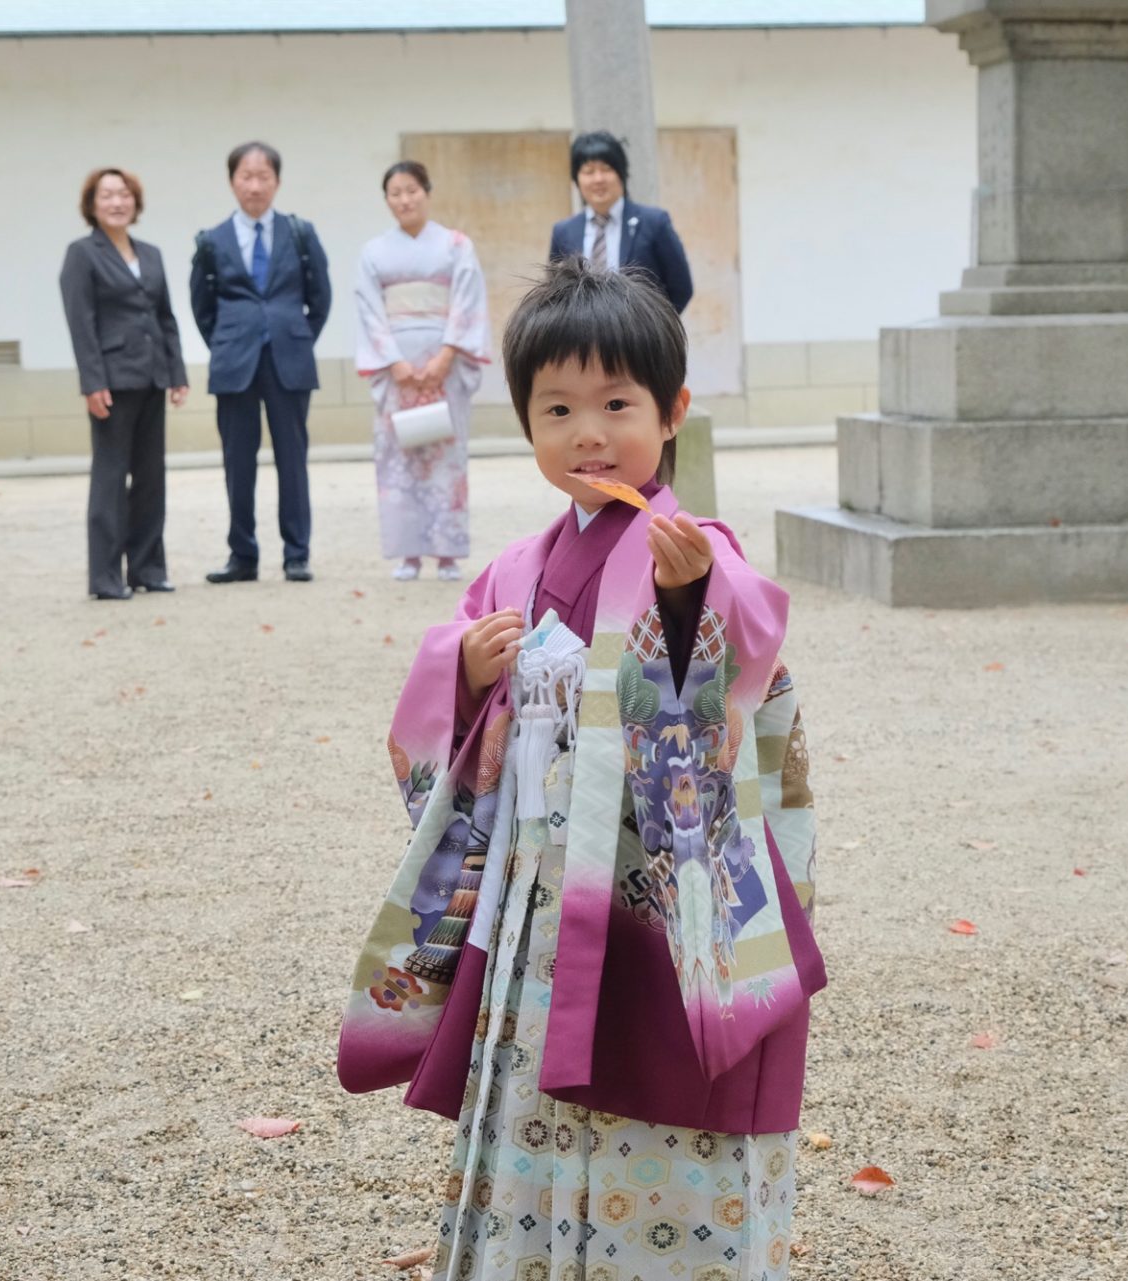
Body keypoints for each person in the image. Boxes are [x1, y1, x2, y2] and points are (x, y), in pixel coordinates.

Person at [338, 259, 824, 1281]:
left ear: (673, 411)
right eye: (557, 408)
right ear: (525, 423)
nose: (589, 433)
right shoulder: (514, 570)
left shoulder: (695, 551)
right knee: (533, 1099)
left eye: (617, 404)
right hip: (536, 908)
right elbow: (440, 730)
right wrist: (462, 671)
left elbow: (748, 650)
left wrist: (687, 605)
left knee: (666, 1091)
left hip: (653, 906)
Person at [189, 141, 332, 584]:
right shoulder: (212, 241)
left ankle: (296, 553)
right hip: (235, 363)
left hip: (289, 359)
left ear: (277, 181)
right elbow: (202, 307)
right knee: (238, 461)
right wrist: (229, 342)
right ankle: (242, 555)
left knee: (293, 459)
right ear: (233, 181)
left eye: (263, 176)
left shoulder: (301, 233)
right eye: (246, 177)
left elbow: (320, 299)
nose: (255, 185)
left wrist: (296, 336)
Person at [353, 161, 490, 583]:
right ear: (387, 200)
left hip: (444, 361)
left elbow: (468, 302)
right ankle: (408, 553)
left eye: (412, 190)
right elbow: (369, 311)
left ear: (427, 193)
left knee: (447, 456)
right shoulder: (374, 252)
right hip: (397, 365)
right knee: (399, 459)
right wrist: (394, 362)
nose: (404, 199)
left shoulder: (455, 245)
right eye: (395, 192)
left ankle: (447, 552)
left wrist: (446, 356)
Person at [59, 166, 189, 601]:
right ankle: (105, 576)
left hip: (152, 376)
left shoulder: (149, 253)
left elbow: (165, 316)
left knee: (152, 477)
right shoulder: (82, 254)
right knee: (111, 479)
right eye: (107, 195)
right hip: (112, 381)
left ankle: (149, 568)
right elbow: (82, 323)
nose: (117, 202)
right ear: (92, 206)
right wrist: (92, 382)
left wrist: (177, 372)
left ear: (135, 202)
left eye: (124, 195)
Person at [547, 130, 694, 314]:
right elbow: (555, 292)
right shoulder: (563, 231)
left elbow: (681, 288)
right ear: (577, 179)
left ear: (622, 174)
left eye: (606, 169)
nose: (598, 179)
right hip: (582, 337)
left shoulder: (654, 222)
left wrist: (657, 331)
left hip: (640, 337)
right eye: (588, 171)